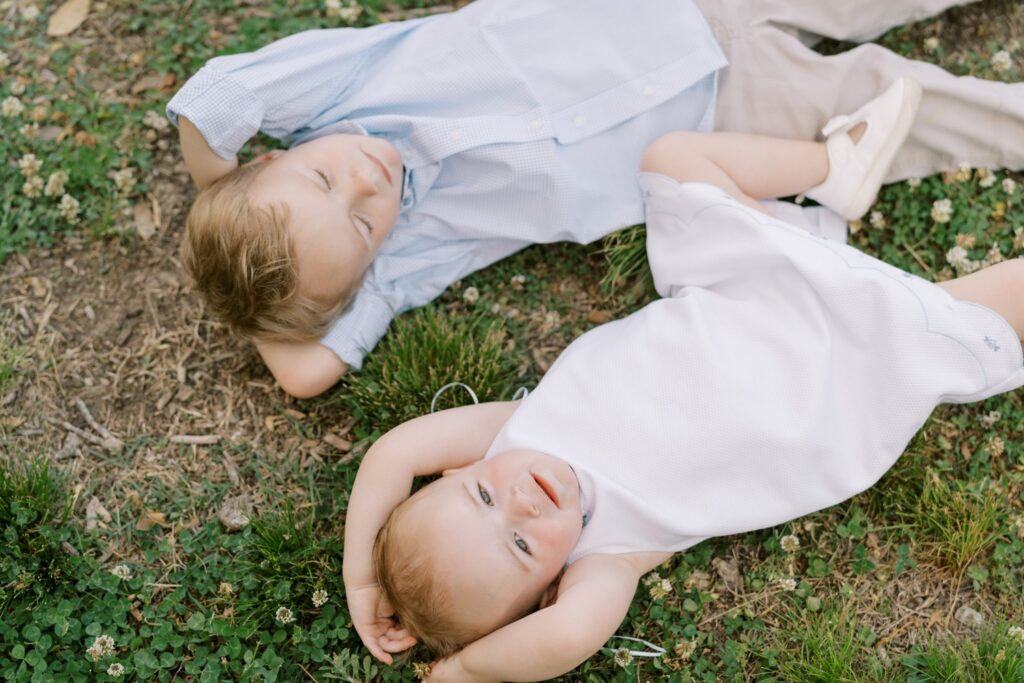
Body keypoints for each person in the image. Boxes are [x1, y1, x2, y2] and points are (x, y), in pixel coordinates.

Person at [341, 78, 1024, 682]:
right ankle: (892, 290)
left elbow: (393, 453)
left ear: (463, 465)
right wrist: (463, 671)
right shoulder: (608, 553)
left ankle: (831, 167)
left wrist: (363, 574)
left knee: (672, 160)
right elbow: (565, 639)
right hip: (830, 376)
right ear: (548, 590)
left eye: (483, 494)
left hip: (745, 290)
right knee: (953, 321)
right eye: (522, 545)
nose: (521, 503)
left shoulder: (509, 432)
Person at [168, 0, 1024, 399]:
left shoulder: (339, 95)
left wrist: (227, 191)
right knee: (913, 111)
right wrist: (268, 300)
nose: (365, 183)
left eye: (322, 177)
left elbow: (208, 102)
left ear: (278, 153)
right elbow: (307, 372)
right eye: (358, 222)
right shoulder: (406, 254)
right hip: (726, 118)